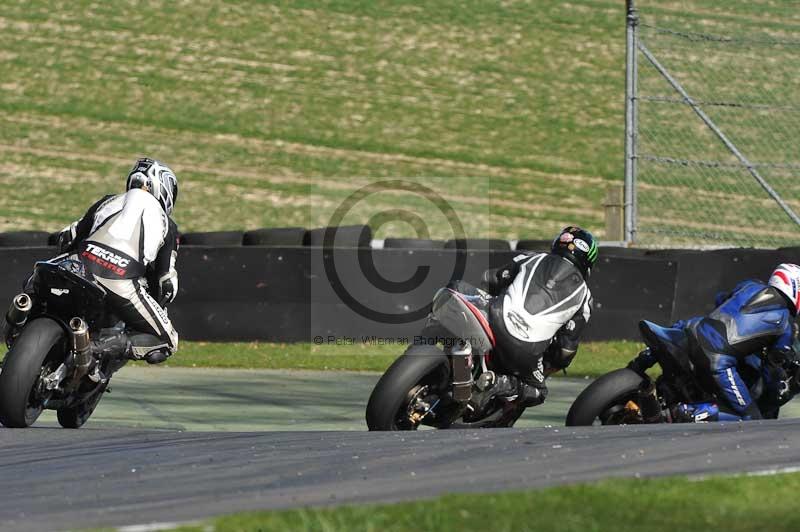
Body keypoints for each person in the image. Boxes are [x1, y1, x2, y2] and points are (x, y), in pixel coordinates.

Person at [628, 264, 800, 421]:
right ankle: (684, 413)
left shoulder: (750, 285)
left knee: (682, 327)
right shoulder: (786, 323)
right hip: (718, 359)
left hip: (693, 331)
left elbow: (720, 299)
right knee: (752, 418)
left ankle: (640, 364)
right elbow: (776, 362)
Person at [52, 157, 180, 364]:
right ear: (163, 188)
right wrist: (156, 304)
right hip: (120, 281)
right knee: (168, 339)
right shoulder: (169, 225)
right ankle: (97, 348)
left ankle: (23, 313)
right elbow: (166, 283)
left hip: (76, 265)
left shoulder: (108, 200)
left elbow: (67, 236)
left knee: (37, 281)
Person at [470, 226, 597, 411]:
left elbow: (490, 279)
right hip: (526, 349)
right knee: (538, 391)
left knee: (458, 290)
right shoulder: (585, 297)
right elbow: (565, 351)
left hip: (494, 318)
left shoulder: (531, 258)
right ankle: (498, 382)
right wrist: (550, 364)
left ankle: (437, 343)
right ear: (589, 259)